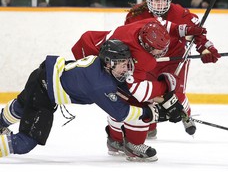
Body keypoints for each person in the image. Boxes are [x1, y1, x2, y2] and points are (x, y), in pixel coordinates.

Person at [0, 40, 185, 162]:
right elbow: (120, 113)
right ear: (108, 63)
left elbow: (128, 89)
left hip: (42, 75)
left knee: (21, 106)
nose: (126, 67)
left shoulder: (104, 67)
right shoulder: (99, 84)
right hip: (44, 91)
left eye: (127, 62)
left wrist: (166, 101)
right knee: (25, 143)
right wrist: (152, 113)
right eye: (121, 63)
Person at [71, 16, 209, 151]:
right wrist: (166, 87)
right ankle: (128, 143)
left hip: (98, 49)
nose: (162, 52)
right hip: (94, 59)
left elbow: (163, 23)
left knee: (123, 97)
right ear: (147, 46)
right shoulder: (141, 57)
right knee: (129, 101)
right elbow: (140, 92)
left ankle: (116, 139)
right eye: (158, 49)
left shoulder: (150, 23)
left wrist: (184, 29)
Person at [124, 0, 221, 138]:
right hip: (148, 60)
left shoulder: (180, 13)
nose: (160, 3)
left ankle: (185, 113)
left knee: (175, 93)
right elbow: (128, 37)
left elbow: (198, 32)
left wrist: (205, 48)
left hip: (174, 60)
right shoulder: (136, 15)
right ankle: (150, 124)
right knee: (147, 92)